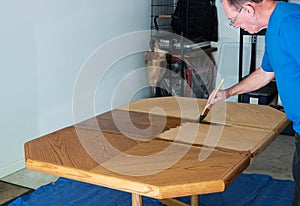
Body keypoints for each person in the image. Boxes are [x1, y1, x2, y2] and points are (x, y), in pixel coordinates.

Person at [207, 0, 300, 205]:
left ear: (248, 9)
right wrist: (227, 92)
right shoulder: (275, 26)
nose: (237, 26)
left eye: (233, 21)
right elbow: (265, 73)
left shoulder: (291, 23)